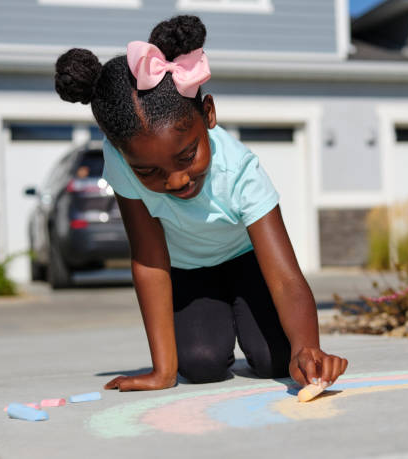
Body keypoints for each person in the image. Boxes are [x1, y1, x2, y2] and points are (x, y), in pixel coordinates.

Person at [54, 15, 348, 392]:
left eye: (186, 155)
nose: (175, 180)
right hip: (189, 270)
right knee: (200, 364)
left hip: (248, 263)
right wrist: (163, 372)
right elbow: (148, 257)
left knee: (278, 359)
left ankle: (266, 331)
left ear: (208, 113)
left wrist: (308, 347)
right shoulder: (121, 159)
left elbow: (286, 277)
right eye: (149, 171)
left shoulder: (240, 171)